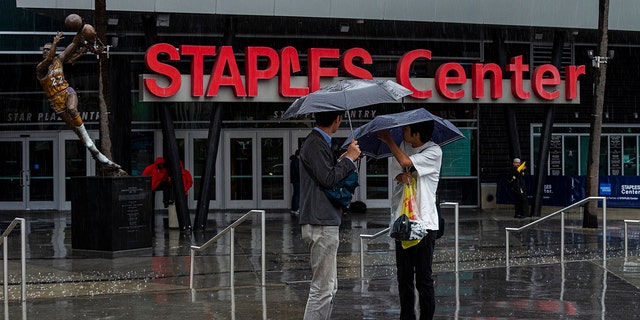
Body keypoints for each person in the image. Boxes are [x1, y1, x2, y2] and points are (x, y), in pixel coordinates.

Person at [298, 111, 361, 320]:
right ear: (337, 120)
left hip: (323, 221)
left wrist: (343, 160)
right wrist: (350, 160)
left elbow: (326, 173)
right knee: (322, 289)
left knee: (329, 287)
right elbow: (327, 178)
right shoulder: (315, 143)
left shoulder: (319, 142)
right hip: (320, 222)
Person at [377, 120, 442, 320]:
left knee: (423, 278)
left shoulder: (434, 151)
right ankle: (406, 316)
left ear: (417, 133)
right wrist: (400, 178)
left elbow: (406, 162)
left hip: (425, 223)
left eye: (406, 129)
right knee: (404, 277)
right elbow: (396, 171)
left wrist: (389, 141)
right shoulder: (403, 147)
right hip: (403, 222)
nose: (402, 131)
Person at [36, 29, 120, 171]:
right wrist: (55, 43)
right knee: (77, 131)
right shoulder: (40, 68)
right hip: (57, 102)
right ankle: (99, 156)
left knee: (72, 109)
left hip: (67, 92)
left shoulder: (59, 60)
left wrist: (81, 31)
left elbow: (74, 43)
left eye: (48, 49)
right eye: (44, 50)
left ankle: (89, 142)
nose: (45, 51)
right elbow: (49, 59)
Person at [290, 149, 301, 216]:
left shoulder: (293, 161)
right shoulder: (296, 162)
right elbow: (298, 171)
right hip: (297, 180)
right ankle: (296, 208)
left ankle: (293, 208)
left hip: (295, 180)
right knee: (297, 195)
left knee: (295, 194)